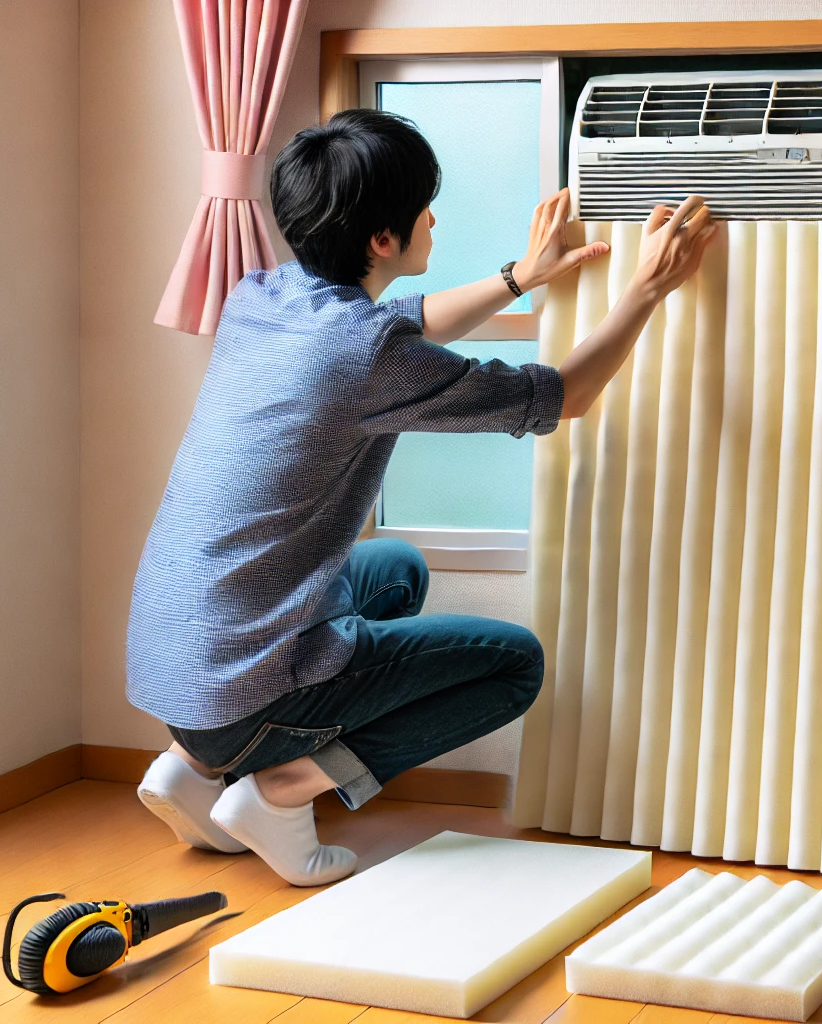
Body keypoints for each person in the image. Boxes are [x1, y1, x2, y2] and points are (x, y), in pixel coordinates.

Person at [126, 108, 716, 886]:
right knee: (513, 666)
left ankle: (190, 770)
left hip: (178, 676)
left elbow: (400, 321)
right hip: (243, 699)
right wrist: (646, 289)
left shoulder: (262, 298)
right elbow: (564, 396)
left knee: (394, 570)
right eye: (422, 207)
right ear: (382, 240)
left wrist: (520, 277)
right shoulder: (370, 355)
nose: (433, 217)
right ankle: (282, 787)